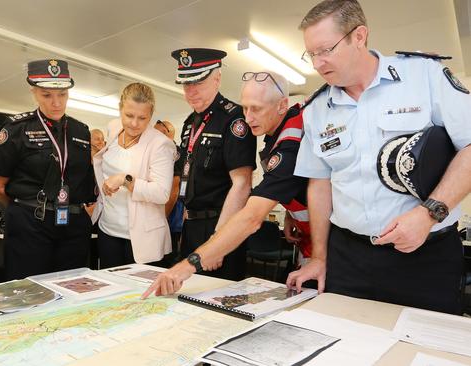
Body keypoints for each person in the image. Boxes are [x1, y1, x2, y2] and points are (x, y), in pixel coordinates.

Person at [286, 0, 471, 314]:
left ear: (359, 36)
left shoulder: (423, 75)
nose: (317, 63)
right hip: (349, 257)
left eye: (326, 50)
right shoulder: (317, 108)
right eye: (311, 54)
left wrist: (429, 214)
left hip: (425, 255)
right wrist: (319, 258)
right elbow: (320, 184)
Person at [143, 71, 312, 297]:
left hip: (330, 247)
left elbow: (250, 214)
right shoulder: (274, 135)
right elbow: (300, 182)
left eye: (257, 109)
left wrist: (191, 262)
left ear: (282, 105)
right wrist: (290, 208)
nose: (248, 117)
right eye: (246, 108)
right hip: (308, 241)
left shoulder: (290, 139)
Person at [0, 59, 96, 280]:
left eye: (62, 94)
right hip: (30, 224)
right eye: (47, 95)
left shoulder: (81, 130)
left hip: (72, 226)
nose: (56, 102)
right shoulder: (16, 129)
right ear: (34, 93)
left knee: (71, 289)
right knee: (28, 292)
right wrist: (24, 210)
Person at [172, 48, 258, 280]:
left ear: (217, 78)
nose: (191, 91)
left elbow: (241, 184)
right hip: (191, 225)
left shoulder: (234, 119)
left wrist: (218, 241)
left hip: (221, 226)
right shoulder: (190, 123)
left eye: (198, 82)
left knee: (220, 302)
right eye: (186, 84)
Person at [91, 83, 176, 268]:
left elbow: (161, 193)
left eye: (142, 118)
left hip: (141, 240)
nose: (134, 123)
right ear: (120, 109)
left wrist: (124, 179)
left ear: (151, 116)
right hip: (107, 230)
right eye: (129, 115)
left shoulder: (160, 144)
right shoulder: (113, 128)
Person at [154, 119, 184, 262]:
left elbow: (174, 187)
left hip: (170, 215)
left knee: (164, 259)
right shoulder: (155, 150)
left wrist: (163, 216)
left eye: (155, 132)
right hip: (155, 215)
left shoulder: (173, 151)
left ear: (167, 133)